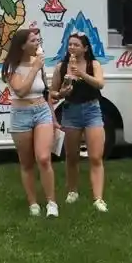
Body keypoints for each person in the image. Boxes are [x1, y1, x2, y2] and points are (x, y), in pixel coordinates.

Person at [1, 27, 58, 217]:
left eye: (38, 40)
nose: (38, 44)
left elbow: (45, 91)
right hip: (21, 114)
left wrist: (53, 117)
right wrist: (34, 68)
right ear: (23, 46)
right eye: (33, 41)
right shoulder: (11, 66)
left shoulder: (39, 63)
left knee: (43, 158)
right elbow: (21, 91)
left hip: (41, 111)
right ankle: (33, 203)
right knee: (26, 163)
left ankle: (52, 203)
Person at [51, 33, 107, 212]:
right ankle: (72, 191)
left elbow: (100, 84)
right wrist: (62, 94)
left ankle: (98, 198)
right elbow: (53, 92)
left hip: (92, 110)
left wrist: (80, 73)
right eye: (70, 44)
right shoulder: (61, 67)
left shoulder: (94, 64)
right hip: (71, 111)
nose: (72, 48)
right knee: (72, 156)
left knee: (95, 157)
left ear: (85, 48)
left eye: (76, 45)